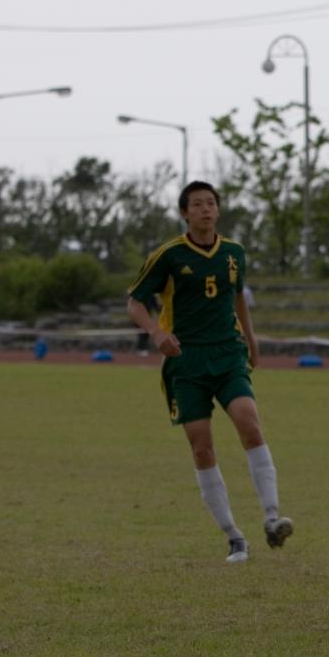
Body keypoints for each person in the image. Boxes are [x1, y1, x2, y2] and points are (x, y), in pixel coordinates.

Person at [126, 181, 292, 563]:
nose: (205, 209)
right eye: (197, 204)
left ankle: (271, 517)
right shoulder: (168, 255)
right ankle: (234, 536)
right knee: (202, 447)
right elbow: (134, 303)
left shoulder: (234, 252)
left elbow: (237, 297)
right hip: (185, 361)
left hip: (227, 354)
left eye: (210, 203)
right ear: (185, 213)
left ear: (218, 210)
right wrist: (156, 333)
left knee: (250, 423)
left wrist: (251, 340)